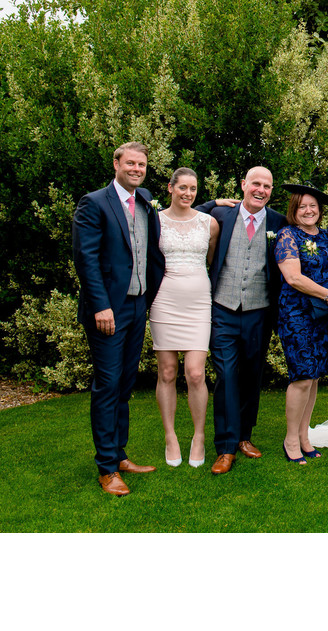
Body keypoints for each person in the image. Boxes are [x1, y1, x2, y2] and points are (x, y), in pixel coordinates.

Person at [72, 141, 165, 496]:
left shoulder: (146, 201)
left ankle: (121, 455)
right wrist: (100, 305)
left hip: (137, 305)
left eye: (141, 165)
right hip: (107, 310)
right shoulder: (93, 203)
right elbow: (86, 259)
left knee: (125, 383)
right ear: (116, 163)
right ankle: (107, 468)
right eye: (130, 163)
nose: (136, 169)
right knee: (107, 384)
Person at [195, 167, 287, 474]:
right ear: (243, 185)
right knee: (227, 376)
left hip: (259, 311)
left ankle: (245, 436)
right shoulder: (222, 216)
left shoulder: (277, 222)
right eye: (256, 184)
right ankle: (225, 446)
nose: (261, 190)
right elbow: (191, 214)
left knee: (252, 375)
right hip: (222, 308)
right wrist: (214, 202)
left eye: (267, 186)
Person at [149, 168, 220, 468]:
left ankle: (199, 435)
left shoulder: (209, 223)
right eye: (182, 188)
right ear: (170, 188)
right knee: (166, 372)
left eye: (193, 188)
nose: (188, 193)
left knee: (195, 373)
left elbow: (212, 260)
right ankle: (170, 436)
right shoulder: (155, 222)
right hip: (164, 301)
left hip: (198, 303)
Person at [274, 184, 328, 464]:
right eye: (302, 206)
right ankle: (290, 439)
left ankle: (304, 436)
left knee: (314, 376)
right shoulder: (287, 235)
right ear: (294, 209)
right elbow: (293, 277)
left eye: (313, 206)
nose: (308, 210)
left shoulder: (326, 236)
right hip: (298, 313)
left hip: (324, 314)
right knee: (302, 375)